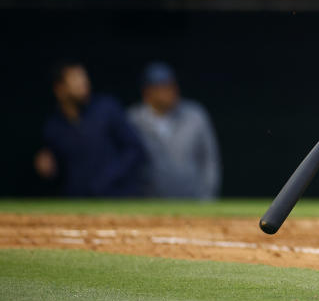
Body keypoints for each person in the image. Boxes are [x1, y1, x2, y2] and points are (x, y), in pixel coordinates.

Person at [35, 62, 146, 196]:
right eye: (75, 79)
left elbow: (135, 149)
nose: (83, 84)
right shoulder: (53, 126)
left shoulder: (106, 109)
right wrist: (47, 164)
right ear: (60, 89)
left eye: (84, 78)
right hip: (77, 199)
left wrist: (109, 178)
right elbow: (56, 166)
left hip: (114, 196)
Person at [127, 62, 221, 199]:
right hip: (149, 201)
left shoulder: (195, 115)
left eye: (171, 86)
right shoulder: (133, 119)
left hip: (192, 199)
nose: (169, 92)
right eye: (161, 87)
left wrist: (207, 195)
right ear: (147, 92)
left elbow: (210, 160)